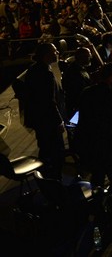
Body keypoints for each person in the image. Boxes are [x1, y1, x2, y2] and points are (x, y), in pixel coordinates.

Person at [74, 62, 112, 196]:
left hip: (86, 142)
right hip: (103, 144)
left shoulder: (86, 92)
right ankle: (110, 205)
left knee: (97, 175)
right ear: (111, 77)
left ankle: (96, 203)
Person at [21, 42, 65, 179]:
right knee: (57, 152)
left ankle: (44, 178)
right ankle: (53, 182)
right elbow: (48, 101)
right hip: (48, 121)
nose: (57, 53)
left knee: (45, 149)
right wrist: (59, 121)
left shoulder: (35, 69)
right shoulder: (45, 72)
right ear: (46, 54)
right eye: (55, 51)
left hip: (39, 119)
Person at [61, 46, 92, 120]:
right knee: (75, 127)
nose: (90, 58)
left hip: (81, 106)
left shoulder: (81, 68)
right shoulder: (73, 72)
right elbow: (77, 91)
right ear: (82, 57)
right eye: (88, 56)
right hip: (77, 108)